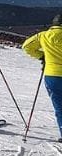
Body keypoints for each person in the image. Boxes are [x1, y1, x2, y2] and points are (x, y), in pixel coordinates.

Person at [21, 14, 62, 142]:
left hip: (52, 75)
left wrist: (42, 56)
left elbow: (26, 46)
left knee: (59, 107)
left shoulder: (43, 35)